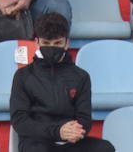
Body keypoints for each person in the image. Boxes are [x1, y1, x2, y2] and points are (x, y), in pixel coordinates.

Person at [9, 12, 115, 152]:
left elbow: (84, 118)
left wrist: (74, 132)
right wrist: (57, 131)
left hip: (70, 142)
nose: (52, 48)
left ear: (67, 43)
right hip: (37, 142)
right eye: (46, 43)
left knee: (105, 148)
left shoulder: (81, 76)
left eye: (57, 43)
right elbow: (20, 121)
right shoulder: (23, 76)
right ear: (37, 43)